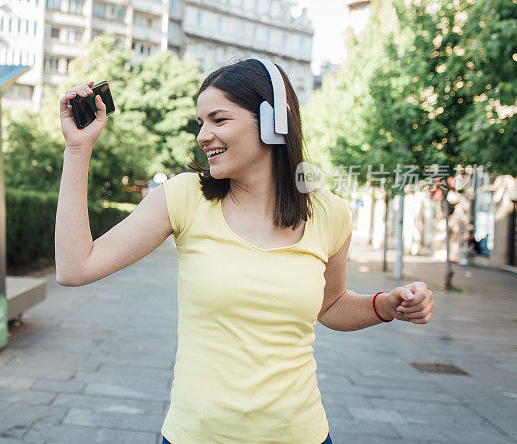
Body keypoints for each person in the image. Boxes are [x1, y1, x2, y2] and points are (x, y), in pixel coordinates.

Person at [54, 58, 434, 444]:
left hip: (301, 435)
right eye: (201, 122)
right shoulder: (184, 196)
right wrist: (77, 148)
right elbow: (75, 268)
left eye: (219, 120)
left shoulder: (329, 213)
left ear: (274, 122)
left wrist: (386, 306)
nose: (203, 135)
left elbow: (330, 305)